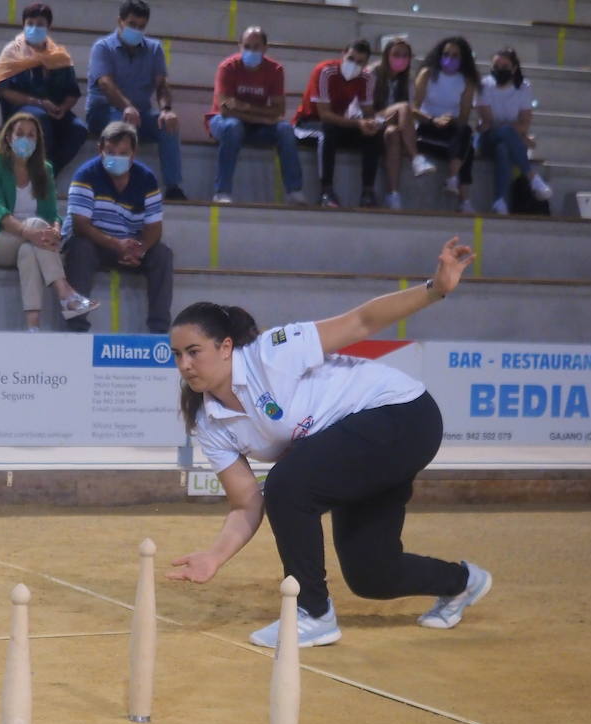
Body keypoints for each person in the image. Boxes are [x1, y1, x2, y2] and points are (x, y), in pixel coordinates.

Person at [165, 238, 491, 648]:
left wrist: (436, 288)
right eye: (176, 355)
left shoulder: (273, 352)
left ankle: (312, 613)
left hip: (403, 415)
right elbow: (246, 504)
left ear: (226, 347)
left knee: (287, 483)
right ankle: (462, 582)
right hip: (357, 448)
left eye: (193, 351)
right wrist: (215, 556)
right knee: (372, 574)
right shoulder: (207, 420)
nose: (185, 365)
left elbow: (362, 322)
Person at [0, 113, 97, 331]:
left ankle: (33, 327)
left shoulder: (44, 170)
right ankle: (65, 292)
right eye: (20, 134)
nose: (26, 139)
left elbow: (53, 214)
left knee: (29, 251)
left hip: (33, 241)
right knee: (34, 227)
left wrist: (54, 230)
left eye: (31, 135)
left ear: (38, 141)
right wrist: (29, 231)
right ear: (9, 137)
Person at [62, 121, 172, 333]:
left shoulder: (147, 179)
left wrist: (140, 248)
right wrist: (115, 244)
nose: (116, 158)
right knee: (79, 248)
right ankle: (76, 326)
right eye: (110, 152)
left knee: (162, 254)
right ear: (100, 150)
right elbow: (80, 226)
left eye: (123, 153)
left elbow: (155, 227)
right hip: (96, 243)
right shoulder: (85, 175)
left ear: (133, 154)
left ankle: (159, 330)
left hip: (130, 245)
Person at [85, 0, 185, 200]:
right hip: (103, 112)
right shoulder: (103, 47)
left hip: (140, 115)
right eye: (132, 24)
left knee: (168, 125)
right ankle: (111, 184)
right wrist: (127, 107)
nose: (136, 30)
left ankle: (173, 187)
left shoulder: (154, 49)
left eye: (141, 26)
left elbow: (162, 84)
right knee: (120, 124)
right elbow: (105, 84)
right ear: (120, 21)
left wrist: (166, 109)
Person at [206, 27, 305, 205]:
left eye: (256, 46)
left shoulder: (275, 70)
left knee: (285, 129)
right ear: (240, 46)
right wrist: (261, 117)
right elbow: (225, 108)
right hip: (223, 122)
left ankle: (295, 191)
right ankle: (222, 192)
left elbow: (278, 111)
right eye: (247, 46)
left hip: (257, 127)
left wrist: (245, 107)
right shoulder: (228, 67)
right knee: (233, 126)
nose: (251, 51)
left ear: (265, 48)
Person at [0, 3, 88, 176]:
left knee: (79, 129)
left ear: (48, 27)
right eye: (30, 23)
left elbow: (72, 92)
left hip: (54, 111)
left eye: (39, 24)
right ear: (23, 25)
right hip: (23, 110)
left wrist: (63, 108)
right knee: (40, 117)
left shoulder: (59, 56)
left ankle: (50, 171)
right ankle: (38, 172)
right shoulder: (12, 52)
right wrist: (37, 103)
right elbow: (4, 90)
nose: (34, 28)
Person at [292, 40, 383, 209]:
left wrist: (372, 123)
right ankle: (326, 191)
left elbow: (368, 110)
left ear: (365, 64)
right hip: (309, 122)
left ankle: (368, 192)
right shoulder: (325, 71)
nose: (353, 64)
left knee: (374, 135)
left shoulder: (367, 78)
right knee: (326, 132)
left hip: (339, 123)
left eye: (359, 62)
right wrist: (358, 123)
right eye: (350, 59)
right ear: (343, 54)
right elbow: (324, 115)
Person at [476, 47, 552, 215]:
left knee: (503, 148)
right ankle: (532, 177)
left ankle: (500, 201)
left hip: (509, 140)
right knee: (504, 134)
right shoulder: (484, 85)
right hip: (488, 138)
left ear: (514, 68)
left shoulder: (524, 87)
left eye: (505, 66)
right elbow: (489, 123)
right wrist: (518, 134)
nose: (500, 70)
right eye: (496, 65)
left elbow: (525, 122)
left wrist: (513, 130)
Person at [413, 36, 478, 213]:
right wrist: (433, 120)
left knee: (465, 132)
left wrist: (449, 119)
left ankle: (452, 177)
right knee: (468, 151)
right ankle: (463, 198)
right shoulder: (427, 74)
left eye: (455, 55)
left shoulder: (467, 81)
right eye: (446, 54)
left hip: (451, 130)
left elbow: (464, 116)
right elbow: (413, 109)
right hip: (427, 126)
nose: (450, 58)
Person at [370, 35, 436, 210]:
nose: (401, 59)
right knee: (403, 108)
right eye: (396, 54)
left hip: (391, 123)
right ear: (386, 55)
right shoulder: (373, 73)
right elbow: (365, 105)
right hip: (372, 119)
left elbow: (411, 109)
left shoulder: (405, 80)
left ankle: (393, 194)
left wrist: (431, 120)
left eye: (405, 55)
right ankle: (416, 158)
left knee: (394, 135)